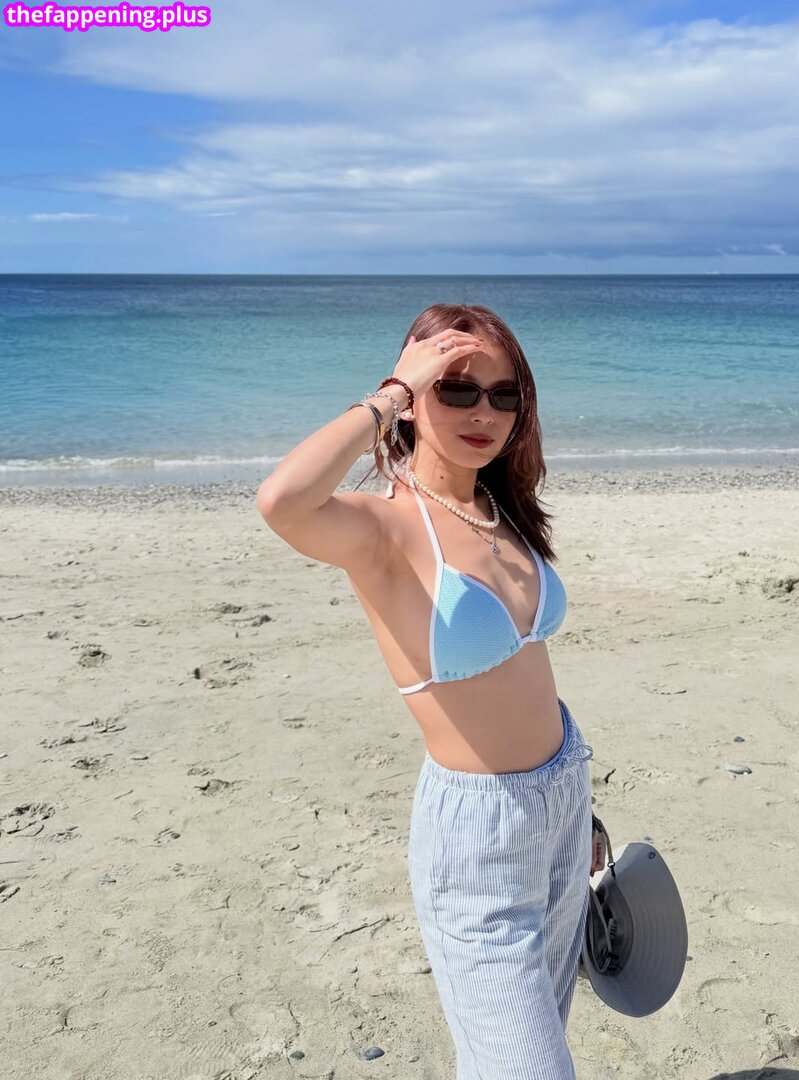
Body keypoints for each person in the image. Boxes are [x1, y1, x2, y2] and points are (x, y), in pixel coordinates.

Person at [256, 303, 606, 1078]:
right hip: (478, 837)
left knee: (530, 1043)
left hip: (562, 801)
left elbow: (529, 679)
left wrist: (580, 810)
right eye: (456, 388)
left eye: (504, 395)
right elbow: (282, 500)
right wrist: (391, 394)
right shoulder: (382, 531)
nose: (485, 412)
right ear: (414, 397)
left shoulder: (500, 512)